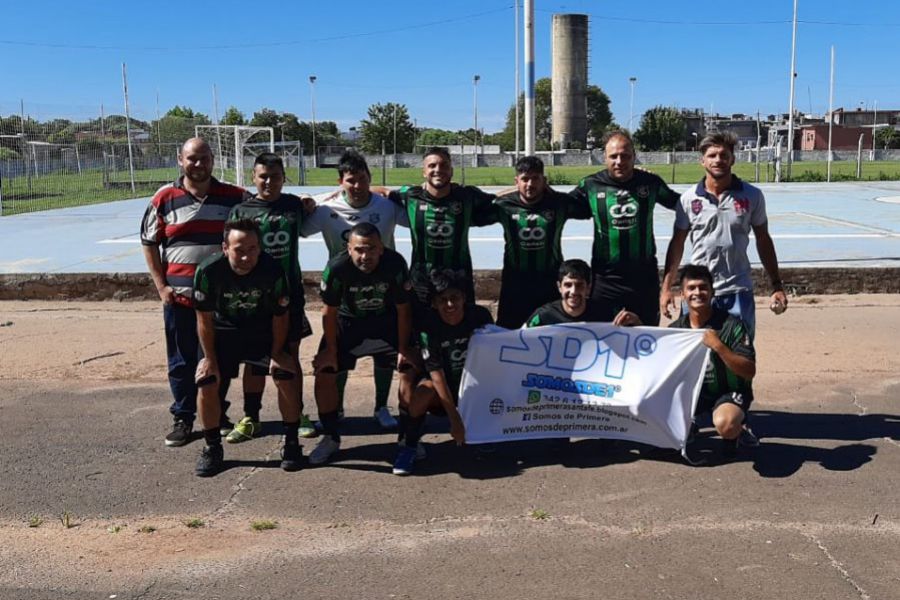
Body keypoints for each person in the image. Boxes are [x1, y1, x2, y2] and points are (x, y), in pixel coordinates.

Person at [140, 137, 244, 447]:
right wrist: (162, 286)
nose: (198, 164)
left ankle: (217, 414)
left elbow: (266, 207)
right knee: (182, 360)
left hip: (220, 299)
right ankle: (183, 417)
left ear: (214, 160)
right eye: (192, 159)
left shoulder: (234, 197)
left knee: (220, 360)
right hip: (180, 298)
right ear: (179, 160)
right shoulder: (164, 198)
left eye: (204, 158)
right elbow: (149, 242)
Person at [301, 150, 410, 429]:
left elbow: (416, 219)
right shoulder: (328, 210)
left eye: (362, 179)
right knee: (336, 358)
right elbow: (299, 229)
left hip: (384, 294)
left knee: (386, 357)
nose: (357, 186)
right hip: (344, 300)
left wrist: (398, 194)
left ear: (370, 179)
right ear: (341, 181)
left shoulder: (385, 207)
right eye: (351, 180)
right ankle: (335, 409)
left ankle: (381, 407)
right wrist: (303, 205)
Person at [192, 219, 302, 476]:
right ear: (225, 248)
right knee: (206, 380)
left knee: (285, 373)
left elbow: (280, 316)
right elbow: (203, 320)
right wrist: (209, 358)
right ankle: (212, 447)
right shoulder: (208, 271)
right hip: (223, 331)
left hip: (262, 329)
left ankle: (292, 442)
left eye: (253, 249)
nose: (246, 256)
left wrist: (277, 354)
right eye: (239, 249)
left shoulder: (272, 271)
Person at [225, 153, 315, 443]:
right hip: (254, 298)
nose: (268, 181)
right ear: (253, 177)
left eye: (275, 176)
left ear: (283, 178)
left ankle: (297, 412)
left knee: (290, 354)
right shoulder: (241, 211)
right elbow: (228, 254)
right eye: (263, 176)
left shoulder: (293, 205)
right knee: (254, 359)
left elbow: (321, 203)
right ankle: (251, 416)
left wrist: (309, 204)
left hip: (290, 295)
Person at [660, 131, 787, 335]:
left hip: (738, 290)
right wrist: (666, 288)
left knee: (739, 356)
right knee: (696, 358)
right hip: (698, 290)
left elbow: (763, 240)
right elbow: (677, 244)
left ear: (732, 159)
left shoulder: (752, 195)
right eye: (712, 155)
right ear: (702, 161)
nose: (718, 160)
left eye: (723, 155)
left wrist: (777, 285)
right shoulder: (688, 199)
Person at [309, 223, 416, 465]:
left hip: (385, 322)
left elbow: (403, 309)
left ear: (381, 248)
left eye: (371, 249)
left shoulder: (395, 263)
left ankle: (407, 439)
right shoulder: (337, 267)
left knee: (410, 370)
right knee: (325, 372)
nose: (365, 256)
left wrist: (404, 349)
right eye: (359, 250)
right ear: (349, 249)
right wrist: (330, 350)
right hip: (348, 324)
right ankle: (330, 436)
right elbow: (329, 312)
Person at [568, 130, 680, 326]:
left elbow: (682, 204)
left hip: (643, 278)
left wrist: (713, 190)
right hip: (605, 279)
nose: (619, 161)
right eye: (613, 156)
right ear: (604, 158)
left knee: (646, 337)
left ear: (634, 157)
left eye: (625, 156)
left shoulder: (650, 183)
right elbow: (554, 204)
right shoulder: (591, 185)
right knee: (604, 337)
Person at [392, 273, 494, 476]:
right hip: (444, 386)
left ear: (464, 297)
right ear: (434, 304)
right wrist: (454, 420)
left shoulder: (480, 316)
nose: (449, 304)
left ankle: (486, 433)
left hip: (474, 386)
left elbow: (495, 352)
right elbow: (437, 375)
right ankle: (410, 446)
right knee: (422, 392)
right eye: (442, 300)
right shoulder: (428, 327)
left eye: (454, 297)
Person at [386, 147, 497, 306]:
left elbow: (500, 201)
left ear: (451, 171)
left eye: (444, 165)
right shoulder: (411, 195)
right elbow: (383, 193)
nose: (438, 170)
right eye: (432, 166)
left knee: (462, 327)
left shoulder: (467, 196)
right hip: (422, 279)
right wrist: (341, 194)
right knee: (421, 327)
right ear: (424, 172)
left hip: (459, 278)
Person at [668, 264, 758, 456]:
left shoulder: (732, 325)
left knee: (725, 424)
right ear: (682, 294)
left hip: (728, 391)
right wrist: (637, 326)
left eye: (703, 287)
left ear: (712, 292)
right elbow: (655, 360)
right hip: (693, 395)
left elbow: (749, 370)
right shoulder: (676, 329)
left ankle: (734, 434)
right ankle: (688, 425)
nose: (697, 292)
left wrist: (719, 346)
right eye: (691, 288)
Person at [491, 156, 584, 329]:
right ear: (516, 181)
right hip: (515, 283)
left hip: (549, 281)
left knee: (552, 333)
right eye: (525, 179)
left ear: (544, 181)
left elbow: (587, 207)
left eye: (536, 178)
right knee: (508, 332)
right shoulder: (503, 206)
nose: (530, 184)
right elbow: (478, 208)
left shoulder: (559, 204)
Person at [525, 259, 642, 328]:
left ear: (588, 288)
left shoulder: (606, 313)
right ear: (559, 287)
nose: (573, 291)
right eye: (568, 285)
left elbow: (641, 336)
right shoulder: (543, 316)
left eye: (579, 285)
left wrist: (636, 321)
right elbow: (519, 339)